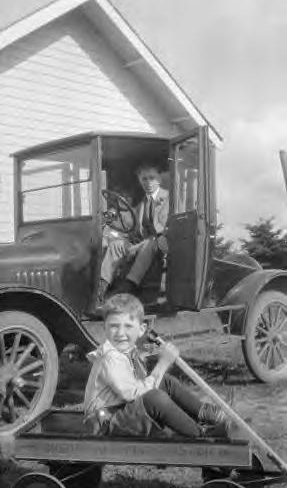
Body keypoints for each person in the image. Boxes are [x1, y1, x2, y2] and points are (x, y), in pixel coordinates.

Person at [84, 293, 230, 439]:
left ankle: (204, 413)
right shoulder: (110, 357)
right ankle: (200, 434)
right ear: (104, 328)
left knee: (164, 381)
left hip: (118, 413)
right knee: (155, 398)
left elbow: (137, 358)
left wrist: (154, 350)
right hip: (105, 424)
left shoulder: (122, 351)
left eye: (128, 326)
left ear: (141, 330)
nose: (121, 333)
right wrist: (163, 363)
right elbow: (133, 394)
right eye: (114, 326)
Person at [92, 162, 169, 309]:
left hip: (163, 243)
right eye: (144, 179)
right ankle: (101, 290)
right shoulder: (142, 204)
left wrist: (138, 246)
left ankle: (129, 285)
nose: (148, 182)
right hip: (143, 242)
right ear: (140, 180)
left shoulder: (168, 198)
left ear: (159, 179)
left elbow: (164, 230)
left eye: (152, 178)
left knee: (151, 242)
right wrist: (116, 237)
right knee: (116, 246)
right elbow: (134, 230)